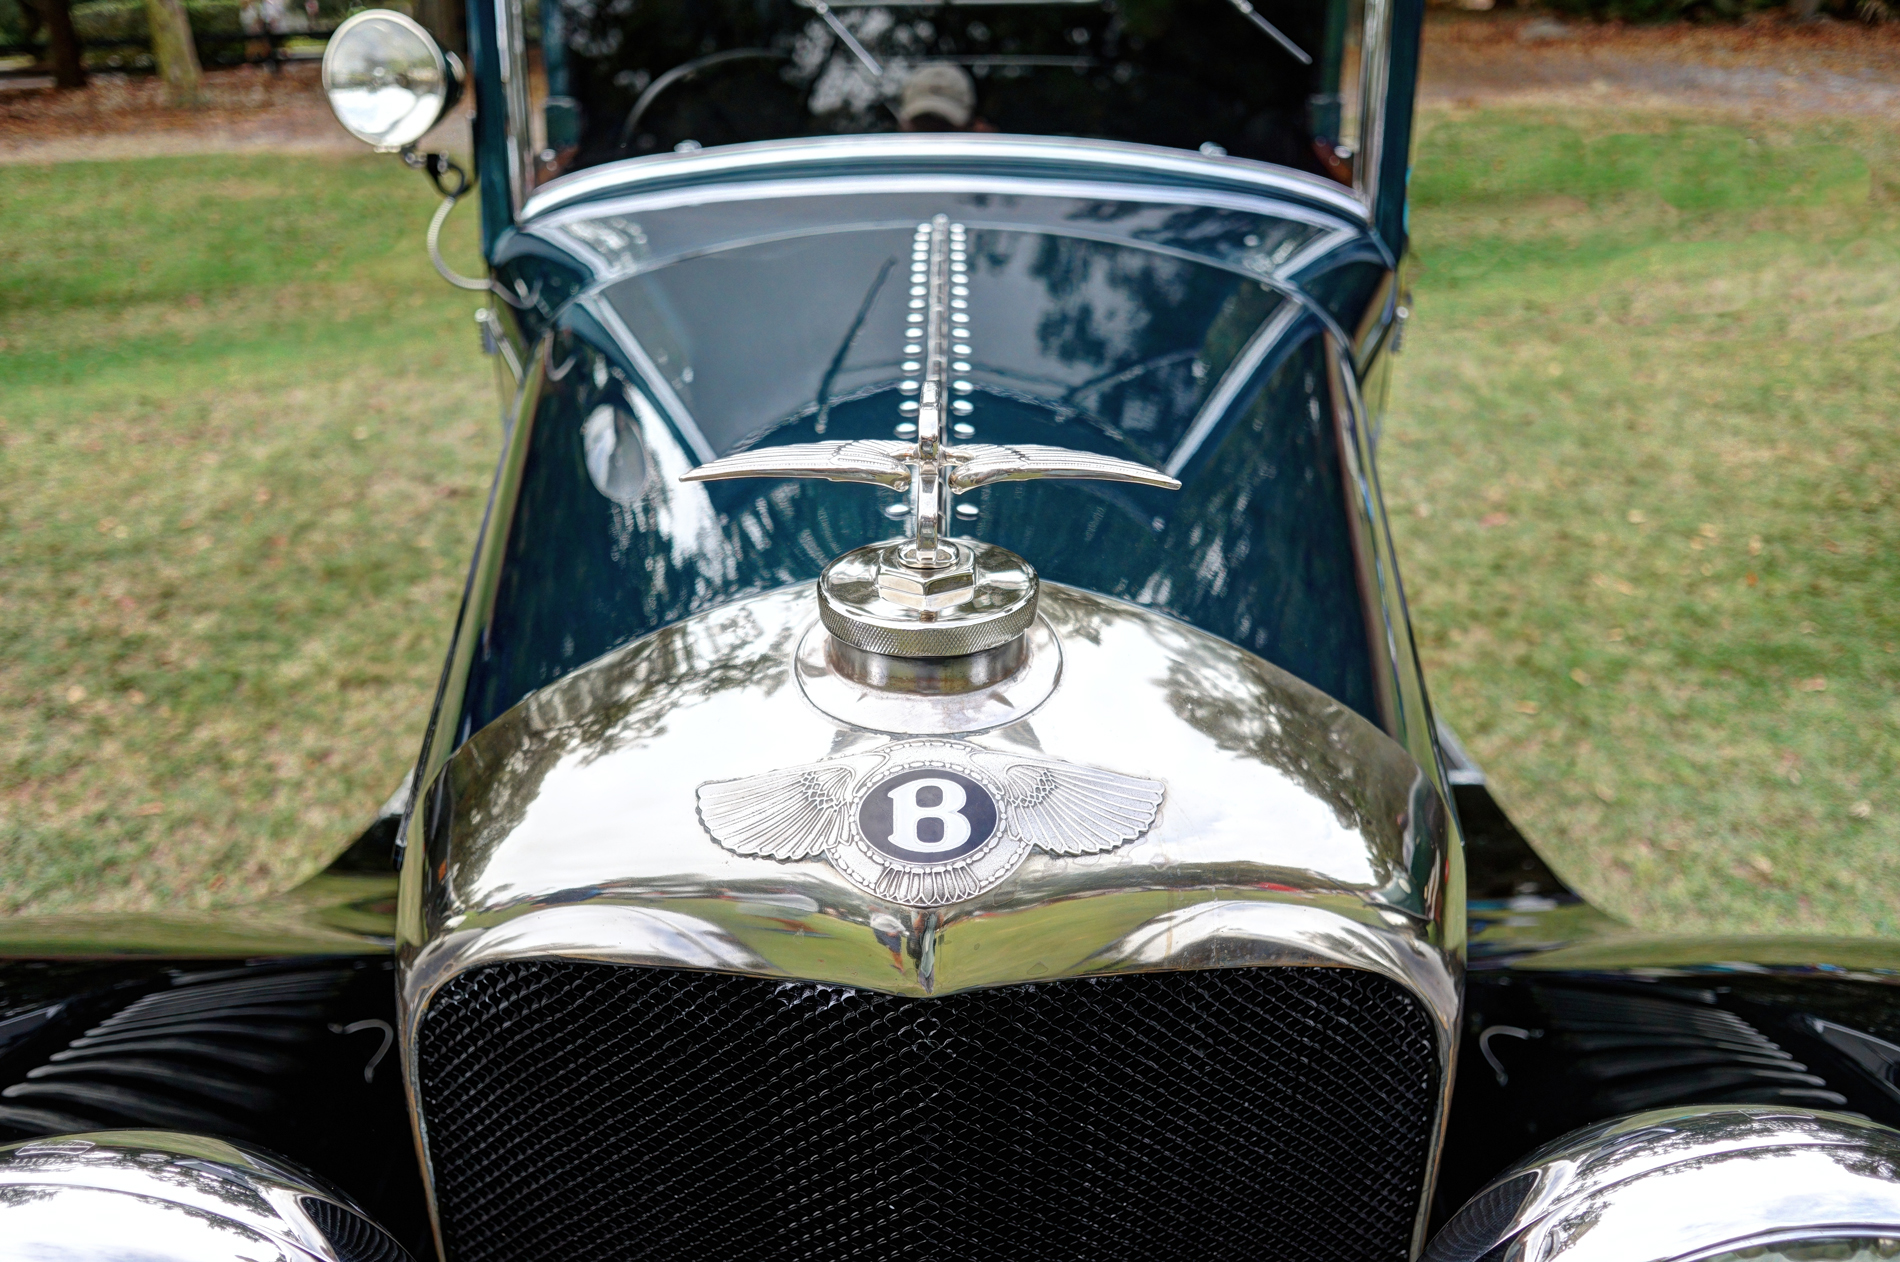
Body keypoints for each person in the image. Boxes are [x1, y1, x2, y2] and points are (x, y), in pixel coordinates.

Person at [897, 63, 988, 133]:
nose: (932, 136)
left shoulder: (988, 151)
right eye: (923, 126)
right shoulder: (889, 150)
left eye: (944, 128)